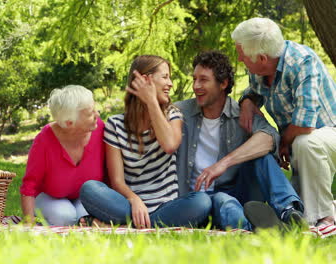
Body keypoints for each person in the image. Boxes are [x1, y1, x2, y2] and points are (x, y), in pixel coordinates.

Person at [173, 50, 304, 231]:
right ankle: (265, 229)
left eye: (203, 80)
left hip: (237, 192)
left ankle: (289, 212)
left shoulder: (240, 114)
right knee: (223, 201)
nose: (196, 86)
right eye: (194, 79)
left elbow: (269, 138)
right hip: (194, 200)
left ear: (223, 83)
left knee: (262, 157)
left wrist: (224, 163)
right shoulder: (180, 112)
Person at [80, 55, 211, 228]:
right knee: (90, 189)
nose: (170, 83)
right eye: (165, 77)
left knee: (202, 202)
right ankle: (142, 223)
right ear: (145, 80)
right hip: (128, 205)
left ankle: (125, 225)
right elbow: (117, 181)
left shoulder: (173, 115)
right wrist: (134, 200)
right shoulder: (115, 125)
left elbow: (170, 145)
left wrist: (151, 101)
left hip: (166, 207)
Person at [232, 17, 336, 226]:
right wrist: (246, 102)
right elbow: (252, 93)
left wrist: (284, 143)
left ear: (261, 57)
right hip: (298, 139)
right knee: (266, 146)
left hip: (327, 132)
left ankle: (324, 217)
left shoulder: (302, 62)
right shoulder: (260, 70)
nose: (240, 58)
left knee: (306, 143)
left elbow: (306, 124)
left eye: (241, 54)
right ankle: (290, 212)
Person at [19, 85, 105, 226]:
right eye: (90, 113)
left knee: (85, 217)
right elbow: (30, 184)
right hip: (50, 196)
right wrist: (28, 219)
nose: (97, 115)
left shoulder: (100, 129)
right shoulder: (45, 140)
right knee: (65, 216)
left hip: (83, 196)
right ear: (69, 123)